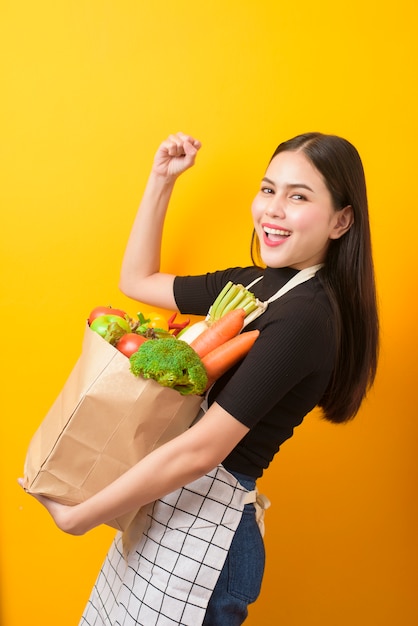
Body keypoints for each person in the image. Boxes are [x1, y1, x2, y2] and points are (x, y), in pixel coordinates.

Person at [21, 131, 379, 625]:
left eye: (298, 196)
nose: (273, 209)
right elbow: (137, 281)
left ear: (342, 220)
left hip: (210, 542)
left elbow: (202, 450)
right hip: (172, 511)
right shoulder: (255, 282)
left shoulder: (306, 316)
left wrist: (79, 517)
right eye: (269, 189)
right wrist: (161, 181)